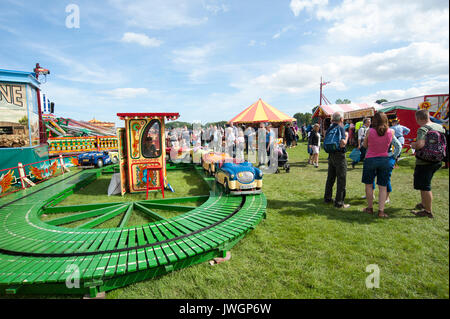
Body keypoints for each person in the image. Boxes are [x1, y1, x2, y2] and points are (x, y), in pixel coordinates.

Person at [410, 109, 446, 218]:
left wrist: (413, 145)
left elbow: (420, 144)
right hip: (437, 159)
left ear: (419, 118)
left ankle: (428, 211)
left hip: (425, 161)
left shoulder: (423, 129)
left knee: (425, 186)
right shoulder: (439, 127)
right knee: (424, 184)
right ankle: (424, 204)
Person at [361, 112, 394, 218]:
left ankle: (370, 208)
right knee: (383, 187)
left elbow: (365, 145)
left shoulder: (370, 131)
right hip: (385, 160)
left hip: (370, 159)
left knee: (369, 185)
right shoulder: (391, 131)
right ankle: (381, 211)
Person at [324, 112, 350, 208]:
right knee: (341, 179)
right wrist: (346, 137)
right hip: (340, 155)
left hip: (331, 155)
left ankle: (327, 198)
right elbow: (343, 143)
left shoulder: (329, 128)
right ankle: (339, 202)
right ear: (341, 119)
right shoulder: (341, 128)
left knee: (330, 178)